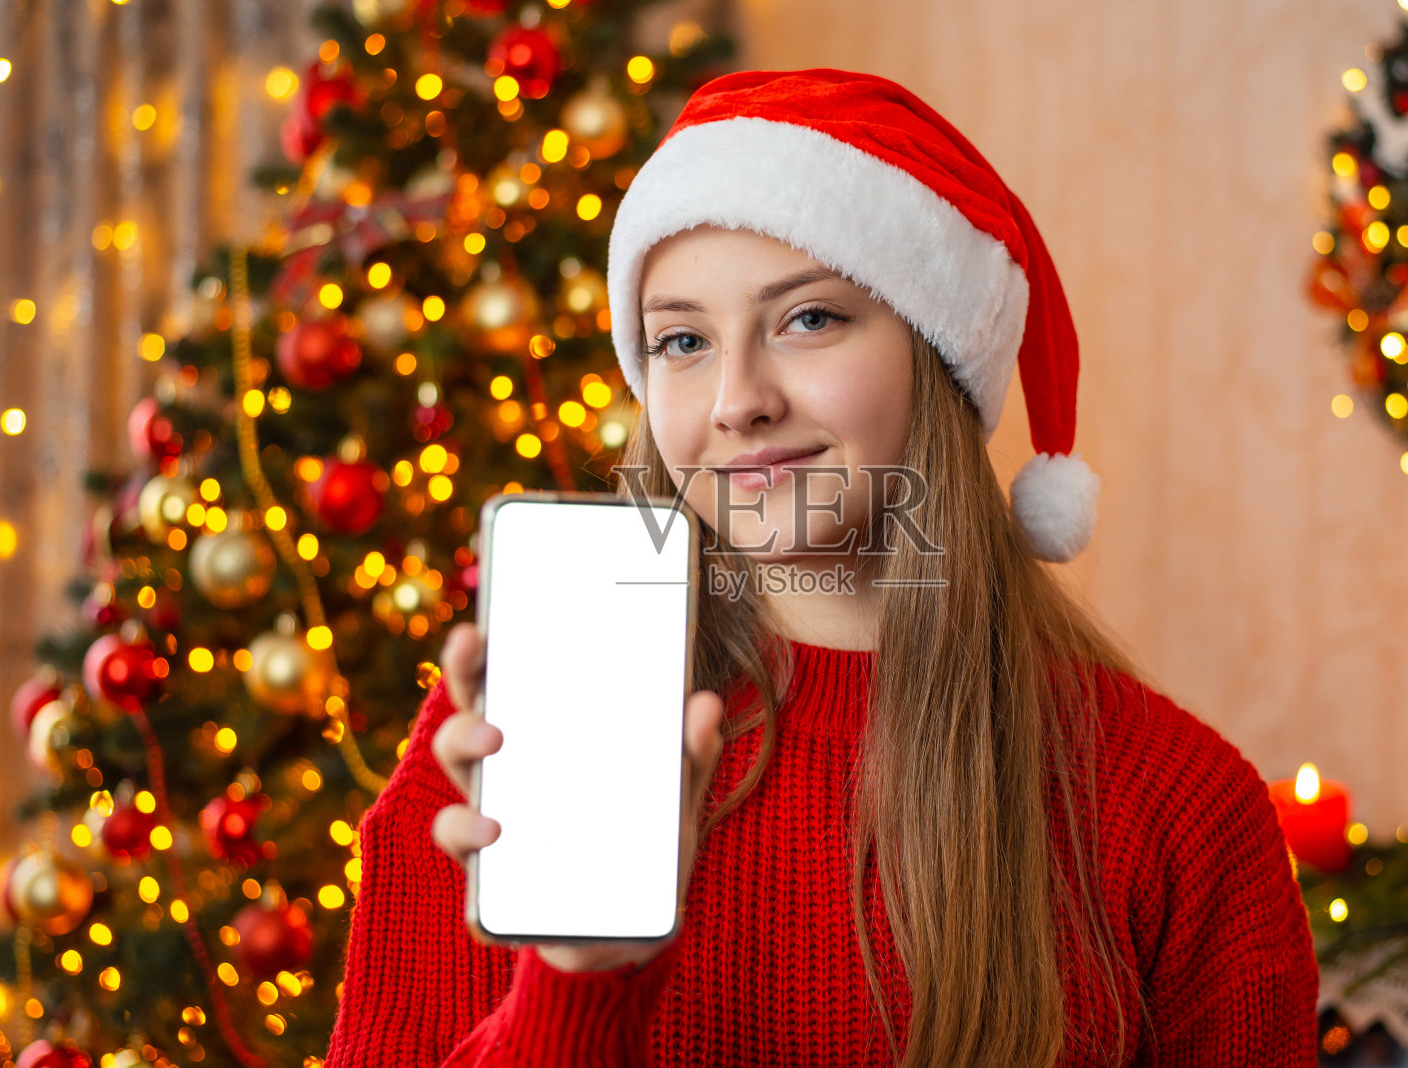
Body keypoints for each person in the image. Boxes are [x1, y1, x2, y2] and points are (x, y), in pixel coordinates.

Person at [323, 68, 1319, 1067]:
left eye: (807, 319)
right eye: (681, 340)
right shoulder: (503, 758)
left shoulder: (1176, 805)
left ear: (937, 359)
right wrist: (582, 978)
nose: (737, 400)